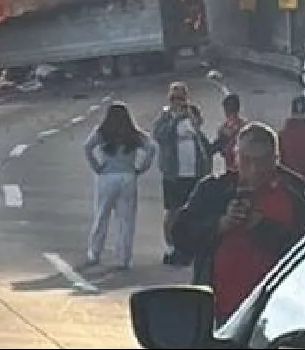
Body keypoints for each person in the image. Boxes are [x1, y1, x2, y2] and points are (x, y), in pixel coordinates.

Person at [171, 122, 305, 323]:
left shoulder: (294, 198)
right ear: (236, 158)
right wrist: (220, 225)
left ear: (276, 160)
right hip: (217, 312)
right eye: (247, 161)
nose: (255, 170)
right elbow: (180, 237)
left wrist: (261, 227)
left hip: (274, 315)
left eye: (262, 161)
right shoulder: (213, 190)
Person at [83, 102, 157, 269]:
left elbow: (87, 147)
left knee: (101, 215)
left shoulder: (102, 132)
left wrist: (96, 166)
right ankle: (124, 258)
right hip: (128, 176)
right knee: (126, 220)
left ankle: (95, 253)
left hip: (106, 176)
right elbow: (151, 147)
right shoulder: (134, 134)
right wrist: (141, 168)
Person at [152, 82, 210, 266]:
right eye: (174, 98)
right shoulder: (165, 116)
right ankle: (171, 245)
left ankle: (191, 245)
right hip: (174, 173)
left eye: (181, 98)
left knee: (195, 210)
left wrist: (190, 116)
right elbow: (159, 136)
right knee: (173, 211)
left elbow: (199, 129)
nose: (178, 102)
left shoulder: (193, 112)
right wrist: (175, 119)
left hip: (195, 171)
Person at [211, 93, 246, 173]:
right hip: (231, 167)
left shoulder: (243, 127)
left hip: (240, 167)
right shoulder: (224, 128)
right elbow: (220, 149)